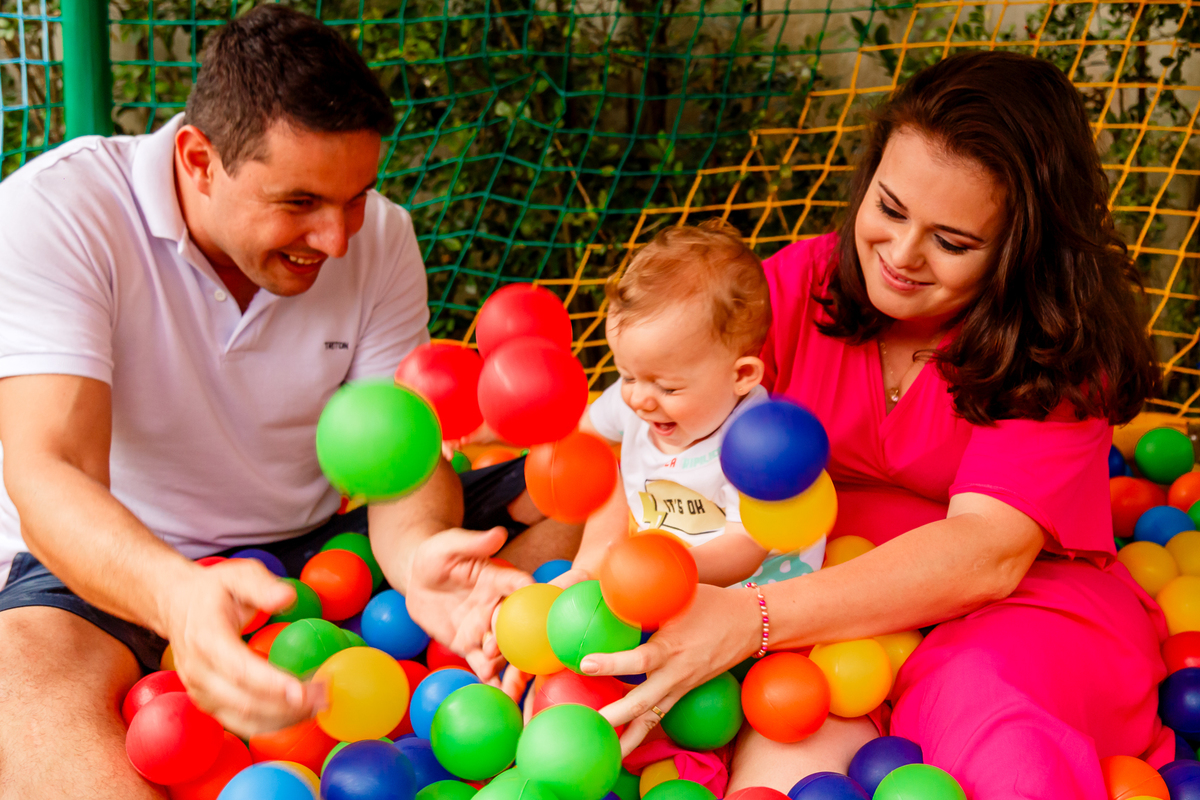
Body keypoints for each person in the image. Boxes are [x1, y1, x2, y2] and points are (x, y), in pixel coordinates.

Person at [0, 8, 569, 799]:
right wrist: (177, 596)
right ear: (200, 161)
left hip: (314, 549)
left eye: (357, 198)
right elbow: (48, 469)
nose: (337, 240)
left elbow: (399, 459)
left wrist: (416, 561)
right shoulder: (61, 214)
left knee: (569, 497)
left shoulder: (381, 241)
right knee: (14, 677)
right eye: (300, 201)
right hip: (129, 564)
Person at [582, 51, 1168, 798]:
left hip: (1006, 613)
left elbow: (985, 556)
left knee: (1006, 754)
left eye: (952, 242)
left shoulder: (1053, 345)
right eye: (889, 209)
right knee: (788, 770)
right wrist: (587, 557)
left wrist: (748, 620)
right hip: (817, 607)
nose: (900, 256)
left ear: (1022, 249)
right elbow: (634, 422)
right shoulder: (795, 288)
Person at [573, 220, 825, 587]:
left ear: (740, 376)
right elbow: (578, 434)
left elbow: (744, 548)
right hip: (661, 579)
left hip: (757, 589)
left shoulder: (757, 444)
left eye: (668, 389)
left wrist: (665, 572)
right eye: (627, 376)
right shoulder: (638, 400)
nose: (639, 399)